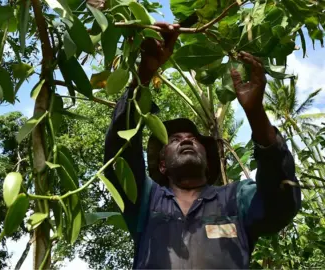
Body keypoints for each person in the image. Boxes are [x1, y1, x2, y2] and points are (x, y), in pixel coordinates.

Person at [104, 22, 301, 269]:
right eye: (174, 140)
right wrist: (143, 77)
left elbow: (281, 202)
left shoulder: (236, 199)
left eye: (194, 139)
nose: (186, 139)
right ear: (162, 166)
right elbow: (119, 154)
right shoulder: (145, 201)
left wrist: (255, 113)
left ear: (208, 162)